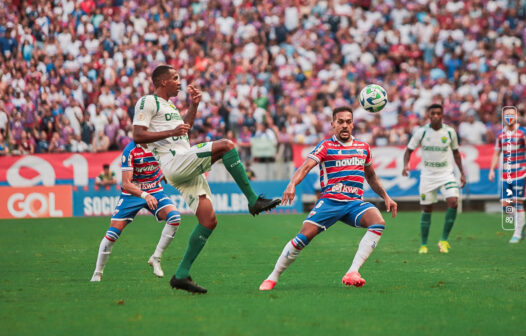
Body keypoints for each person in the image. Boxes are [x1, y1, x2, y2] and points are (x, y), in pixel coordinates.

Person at [132, 64, 280, 293]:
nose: (180, 82)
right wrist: (171, 132)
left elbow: (184, 131)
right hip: (174, 163)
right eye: (175, 78)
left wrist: (194, 106)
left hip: (182, 161)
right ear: (163, 82)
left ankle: (181, 275)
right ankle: (253, 199)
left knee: (208, 220)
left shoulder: (169, 106)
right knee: (228, 146)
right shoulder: (147, 102)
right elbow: (137, 135)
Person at [259, 106, 398, 291]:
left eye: (348, 121)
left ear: (353, 124)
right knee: (302, 238)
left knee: (378, 222)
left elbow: (371, 176)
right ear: (333, 124)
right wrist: (292, 184)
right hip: (330, 202)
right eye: (340, 121)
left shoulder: (363, 147)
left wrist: (386, 196)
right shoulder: (326, 146)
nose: (345, 125)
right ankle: (272, 277)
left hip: (354, 203)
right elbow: (306, 166)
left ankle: (352, 272)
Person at [91, 141, 181, 282]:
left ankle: (156, 258)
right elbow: (126, 183)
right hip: (131, 194)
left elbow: (170, 159)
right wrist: (145, 195)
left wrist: (167, 173)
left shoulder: (160, 144)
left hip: (155, 190)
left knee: (175, 218)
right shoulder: (130, 150)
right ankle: (97, 273)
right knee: (112, 234)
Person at [402, 104, 466, 254]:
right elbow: (408, 150)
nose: (436, 116)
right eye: (433, 113)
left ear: (442, 115)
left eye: (438, 113)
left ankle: (443, 240)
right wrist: (406, 165)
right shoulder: (421, 132)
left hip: (446, 174)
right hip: (428, 176)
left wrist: (461, 173)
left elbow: (456, 153)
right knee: (427, 209)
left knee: (453, 201)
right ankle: (423, 244)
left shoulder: (450, 132)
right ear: (428, 115)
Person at [489, 106, 526, 243]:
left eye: (511, 114)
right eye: (506, 115)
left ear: (516, 116)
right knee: (506, 205)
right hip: (506, 174)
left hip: (520, 173)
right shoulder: (500, 135)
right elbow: (496, 153)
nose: (509, 117)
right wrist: (492, 170)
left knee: (517, 202)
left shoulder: (522, 133)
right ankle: (521, 223)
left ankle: (517, 234)